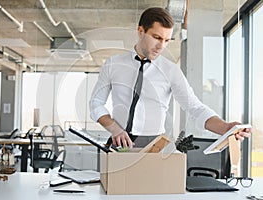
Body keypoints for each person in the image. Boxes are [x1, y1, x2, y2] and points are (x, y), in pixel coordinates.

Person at [89, 7, 251, 149]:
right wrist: (115, 129)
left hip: (154, 145)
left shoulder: (170, 70)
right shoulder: (113, 64)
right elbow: (96, 103)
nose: (161, 46)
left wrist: (225, 127)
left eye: (167, 40)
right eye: (157, 37)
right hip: (118, 142)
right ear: (141, 31)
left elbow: (194, 107)